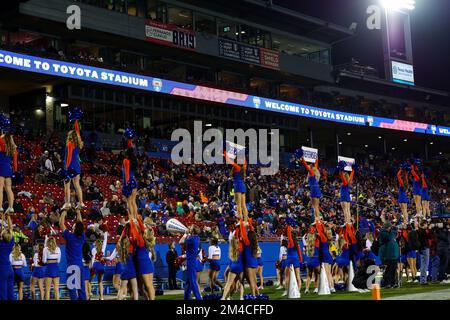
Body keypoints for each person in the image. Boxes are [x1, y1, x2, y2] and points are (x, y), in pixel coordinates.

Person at [60, 209, 86, 300]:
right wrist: (78, 212)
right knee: (81, 287)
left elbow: (61, 224)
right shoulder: (82, 237)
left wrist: (63, 212)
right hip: (80, 265)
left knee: (72, 288)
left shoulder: (70, 236)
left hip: (71, 265)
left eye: (73, 226)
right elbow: (80, 224)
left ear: (75, 228)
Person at [62, 130, 85, 210]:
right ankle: (81, 202)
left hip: (70, 166)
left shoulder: (69, 144)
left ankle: (67, 203)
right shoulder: (78, 144)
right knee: (77, 185)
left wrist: (66, 168)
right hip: (77, 166)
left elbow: (68, 157)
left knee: (67, 185)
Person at [221, 225, 245, 300]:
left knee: (228, 284)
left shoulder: (231, 250)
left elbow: (231, 241)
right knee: (241, 283)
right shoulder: (241, 250)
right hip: (240, 267)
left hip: (233, 267)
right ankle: (241, 297)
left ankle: (223, 297)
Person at [179, 225, 202, 300]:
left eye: (191, 228)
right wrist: (188, 234)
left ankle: (199, 298)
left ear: (193, 231)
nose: (189, 228)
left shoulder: (191, 239)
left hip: (191, 261)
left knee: (192, 282)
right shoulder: (197, 238)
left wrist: (185, 234)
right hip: (192, 260)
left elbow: (181, 241)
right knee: (188, 282)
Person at [224, 151, 248, 221]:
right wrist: (243, 156)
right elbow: (245, 162)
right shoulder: (243, 167)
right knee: (244, 205)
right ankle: (245, 221)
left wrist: (225, 153)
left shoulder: (237, 167)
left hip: (238, 186)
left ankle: (240, 220)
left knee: (238, 205)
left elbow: (228, 161)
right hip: (243, 186)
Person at [0, 131, 18, 214]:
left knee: (0, 189)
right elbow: (15, 163)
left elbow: (0, 139)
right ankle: (11, 207)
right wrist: (15, 169)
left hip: (1, 167)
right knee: (9, 189)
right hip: (8, 168)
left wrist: (2, 136)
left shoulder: (2, 146)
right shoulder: (13, 149)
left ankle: (0, 207)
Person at [300, 154, 322, 219]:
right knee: (316, 206)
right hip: (317, 188)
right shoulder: (315, 172)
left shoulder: (311, 173)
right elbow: (316, 164)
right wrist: (316, 158)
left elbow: (306, 166)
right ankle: (318, 218)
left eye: (310, 166)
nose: (309, 166)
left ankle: (317, 219)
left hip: (314, 189)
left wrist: (302, 158)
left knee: (314, 206)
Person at [378, 221, 399, 288]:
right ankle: (388, 283)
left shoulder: (390, 232)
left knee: (393, 269)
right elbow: (390, 237)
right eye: (390, 227)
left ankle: (393, 283)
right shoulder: (383, 233)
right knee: (388, 270)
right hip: (387, 254)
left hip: (393, 254)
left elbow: (395, 235)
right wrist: (394, 231)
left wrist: (395, 231)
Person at [283, 225, 302, 296]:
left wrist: (288, 227)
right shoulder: (297, 244)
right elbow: (300, 254)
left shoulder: (290, 243)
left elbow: (288, 235)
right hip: (296, 260)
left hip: (290, 261)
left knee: (287, 276)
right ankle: (298, 290)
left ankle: (286, 291)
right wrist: (300, 261)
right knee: (298, 276)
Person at [0, 213, 14, 300]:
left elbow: (10, 230)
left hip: (2, 269)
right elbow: (11, 229)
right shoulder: (10, 242)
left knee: (2, 292)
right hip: (9, 269)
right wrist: (8, 217)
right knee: (10, 292)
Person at [91, 231, 108, 300]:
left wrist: (92, 266)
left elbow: (92, 259)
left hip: (95, 265)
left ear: (95, 244)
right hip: (101, 266)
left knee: (89, 281)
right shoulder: (103, 249)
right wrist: (105, 232)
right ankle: (101, 297)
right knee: (100, 282)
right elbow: (105, 241)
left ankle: (89, 294)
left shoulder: (93, 249)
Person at [122, 148, 138, 220]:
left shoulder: (126, 161)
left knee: (129, 201)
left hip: (128, 180)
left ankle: (131, 218)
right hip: (134, 180)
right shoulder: (134, 160)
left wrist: (126, 183)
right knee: (133, 201)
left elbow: (126, 173)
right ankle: (135, 217)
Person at [417, 220, 431, 285]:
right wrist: (430, 229)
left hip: (422, 249)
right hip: (424, 249)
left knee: (423, 265)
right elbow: (428, 237)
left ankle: (423, 280)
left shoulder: (419, 231)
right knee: (425, 265)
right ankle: (423, 280)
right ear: (424, 224)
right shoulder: (422, 231)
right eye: (426, 224)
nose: (427, 225)